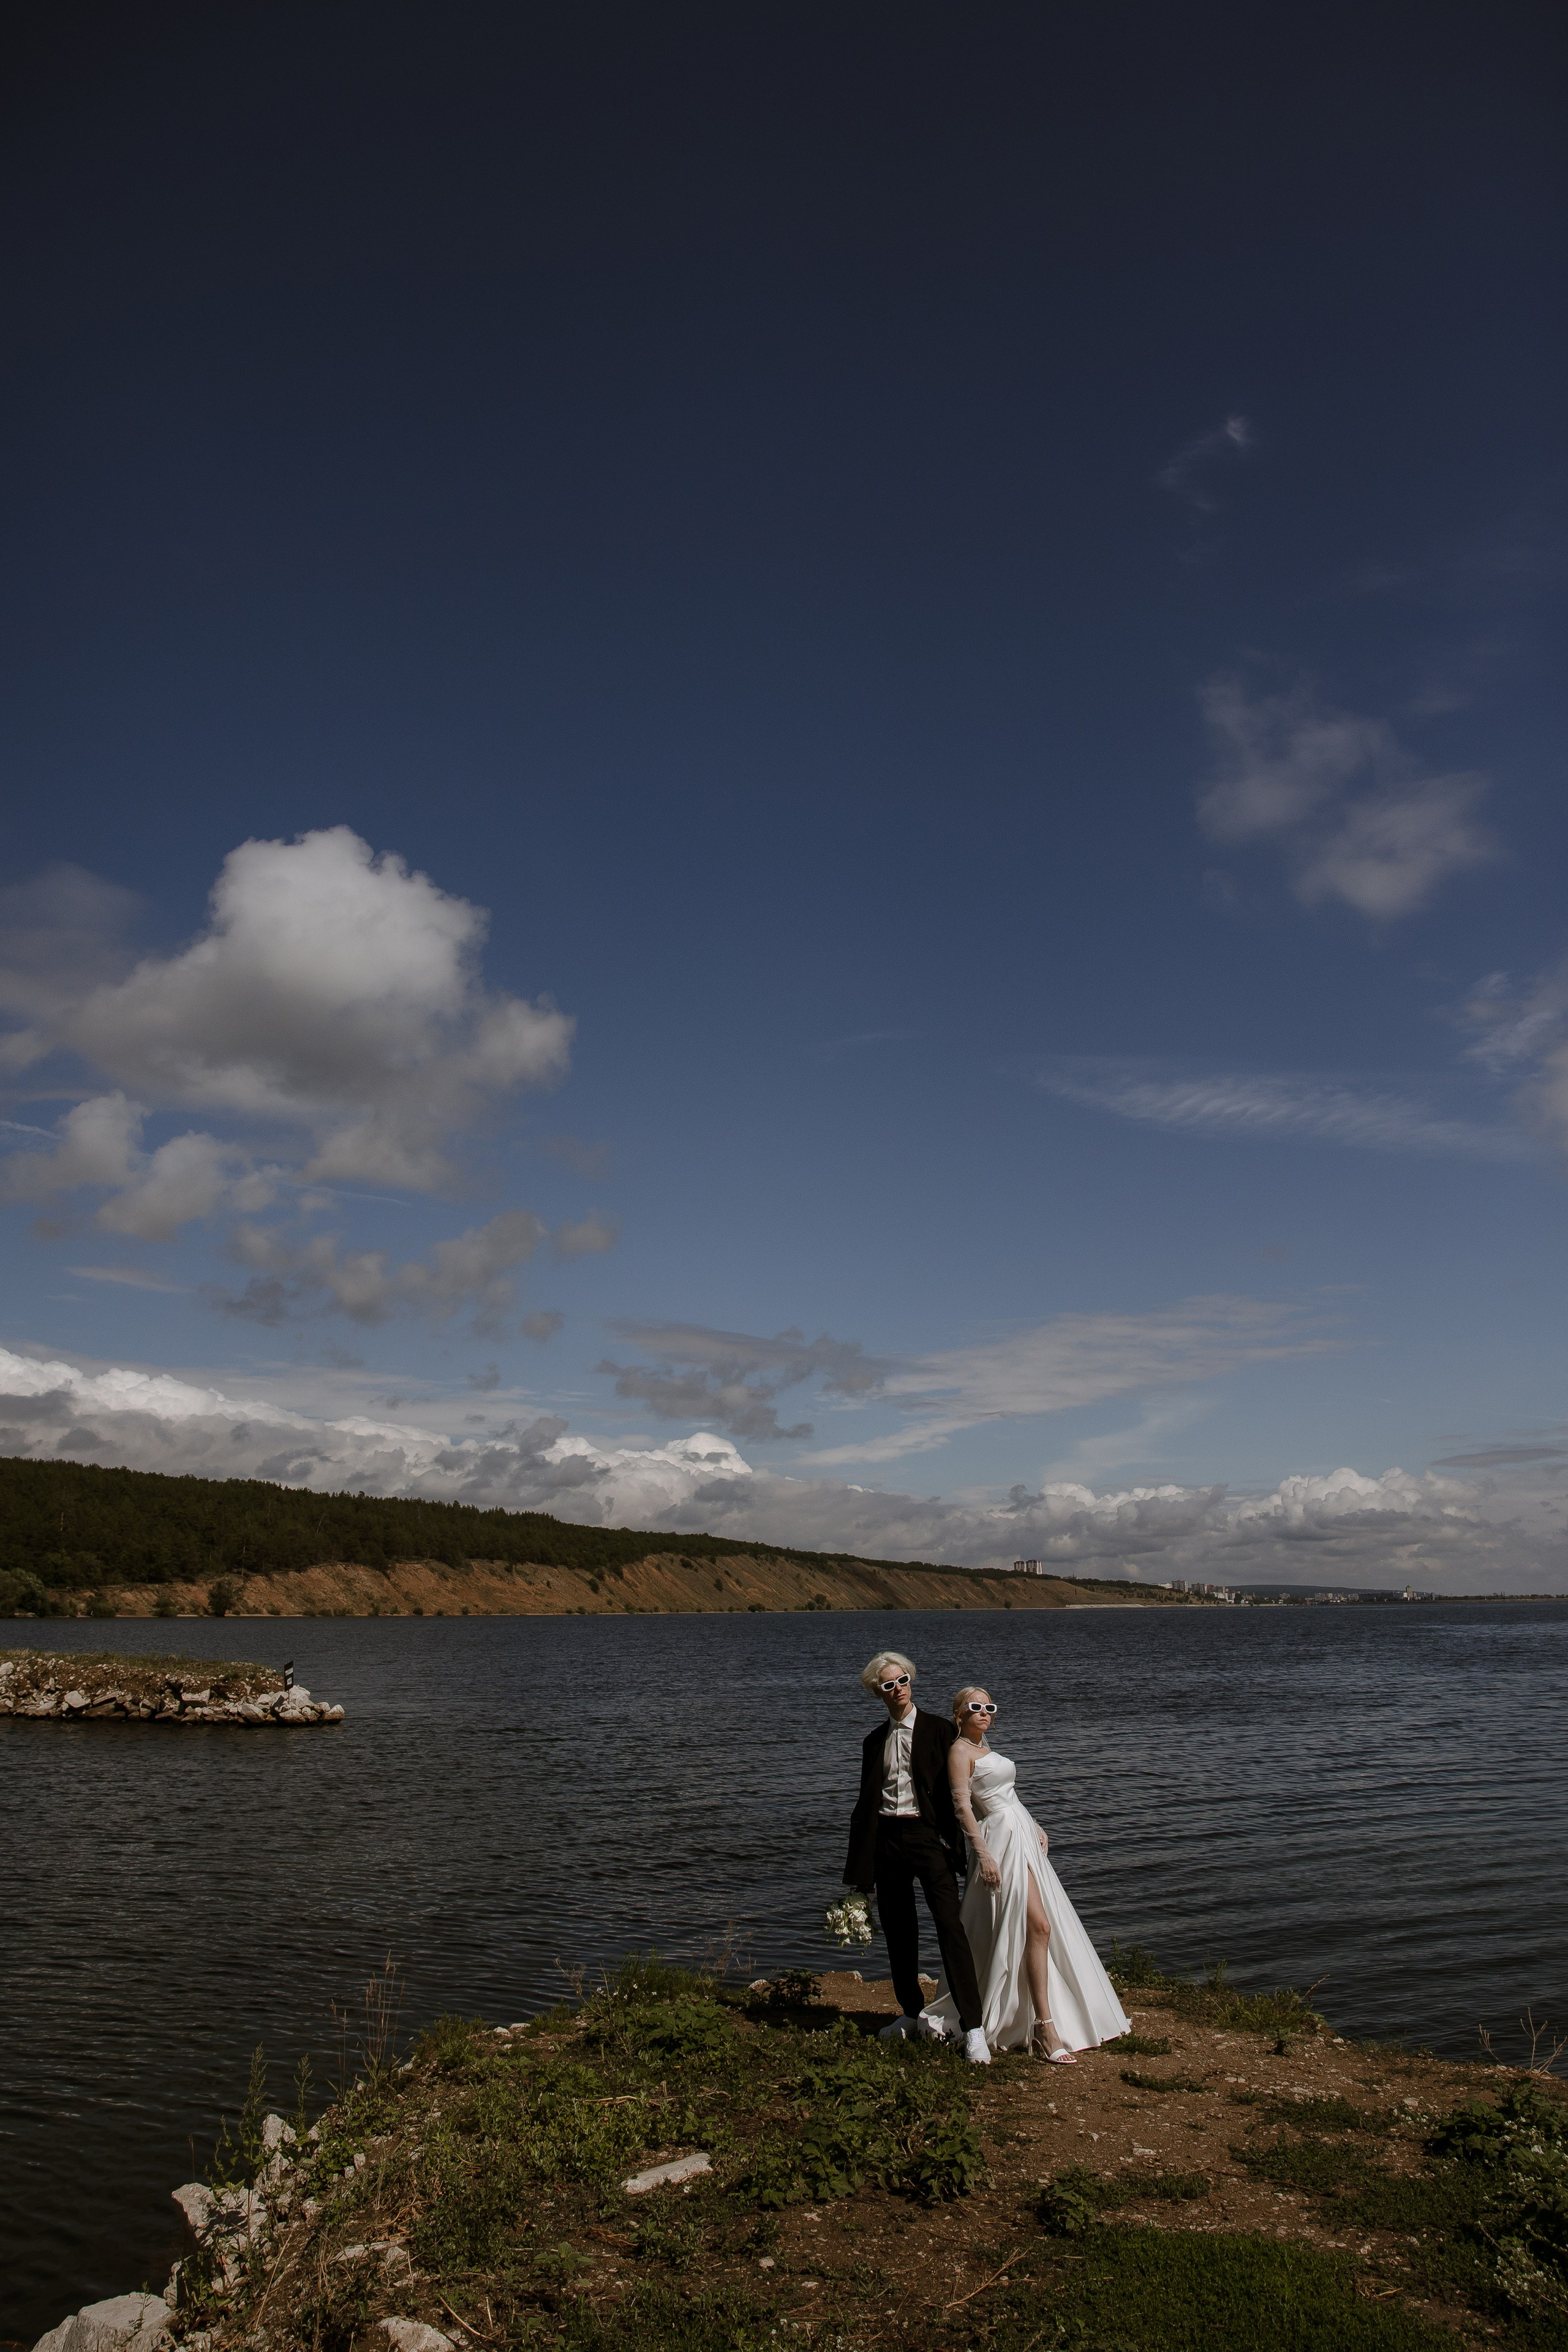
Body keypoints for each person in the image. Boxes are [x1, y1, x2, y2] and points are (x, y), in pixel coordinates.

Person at [923, 1684, 1131, 2059]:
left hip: (1020, 1834)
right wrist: (983, 1854)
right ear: (959, 1715)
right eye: (976, 1707)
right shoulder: (959, 1751)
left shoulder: (987, 1749)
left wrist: (1034, 1823)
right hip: (997, 1842)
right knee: (1035, 1925)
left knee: (1041, 1926)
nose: (985, 1713)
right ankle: (1043, 2029)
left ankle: (1042, 2024)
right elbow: (962, 1807)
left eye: (990, 1707)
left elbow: (1009, 1793)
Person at [842, 1649, 990, 2065]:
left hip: (929, 1840)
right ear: (878, 1693)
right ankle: (910, 2012)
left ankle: (973, 2027)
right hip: (888, 1840)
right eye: (889, 1685)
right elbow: (865, 1804)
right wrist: (861, 1867)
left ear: (911, 1681)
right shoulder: (874, 1742)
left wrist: (985, 1834)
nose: (898, 1689)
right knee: (899, 1931)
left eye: (903, 1680)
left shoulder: (941, 1731)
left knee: (950, 1928)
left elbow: (970, 1784)